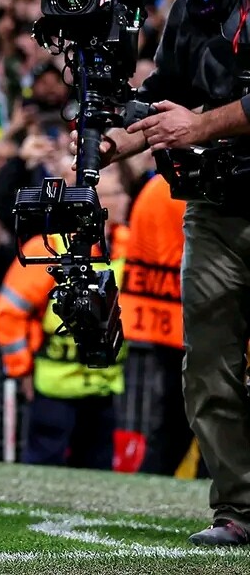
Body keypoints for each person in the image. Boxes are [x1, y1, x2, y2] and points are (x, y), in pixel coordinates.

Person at [90, 0, 250, 546]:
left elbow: (191, 118)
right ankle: (238, 510)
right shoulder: (201, 0)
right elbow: (165, 95)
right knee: (208, 363)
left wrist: (200, 125)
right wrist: (109, 142)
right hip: (215, 208)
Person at [0, 164, 129, 469]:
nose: (125, 200)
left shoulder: (128, 245)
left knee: (97, 472)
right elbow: (8, 312)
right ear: (96, 204)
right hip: (54, 386)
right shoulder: (50, 247)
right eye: (115, 194)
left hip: (103, 384)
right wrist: (21, 370)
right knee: (44, 466)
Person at [120, 173, 197, 476]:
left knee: (176, 412)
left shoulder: (156, 188)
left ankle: (156, 474)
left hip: (163, 316)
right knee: (191, 412)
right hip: (190, 317)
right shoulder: (186, 188)